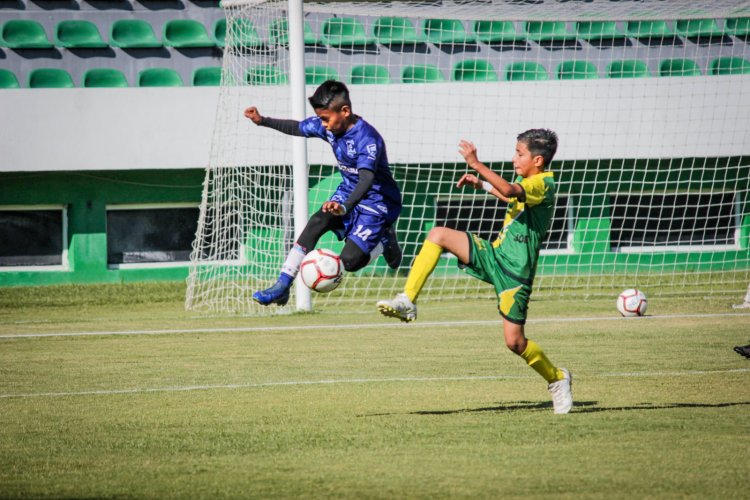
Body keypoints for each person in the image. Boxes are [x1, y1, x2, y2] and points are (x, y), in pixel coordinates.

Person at [377, 129, 573, 414]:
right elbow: (511, 197)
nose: (514, 159)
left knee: (515, 342)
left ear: (538, 160)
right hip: (494, 254)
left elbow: (509, 191)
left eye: (519, 154)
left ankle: (557, 378)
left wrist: (476, 164)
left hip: (515, 274)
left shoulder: (544, 184)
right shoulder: (528, 179)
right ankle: (407, 300)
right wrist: (481, 184)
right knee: (438, 234)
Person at [245, 80, 402, 306]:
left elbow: (366, 179)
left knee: (350, 261)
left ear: (345, 111)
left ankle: (385, 238)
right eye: (321, 119)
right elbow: (297, 127)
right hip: (348, 192)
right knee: (318, 220)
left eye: (326, 118)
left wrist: (345, 206)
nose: (323, 124)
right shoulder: (328, 126)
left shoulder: (367, 138)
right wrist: (263, 121)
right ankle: (282, 284)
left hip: (377, 203)